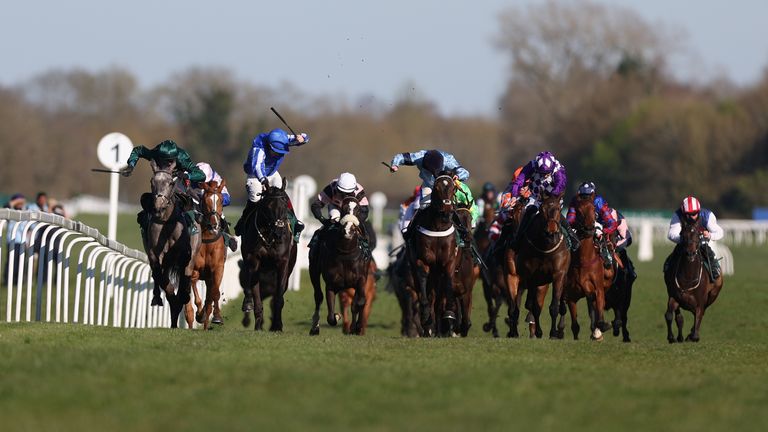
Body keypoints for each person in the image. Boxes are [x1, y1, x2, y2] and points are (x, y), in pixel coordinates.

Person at [236, 128, 309, 243]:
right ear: (269, 146)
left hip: (272, 173)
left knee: (281, 195)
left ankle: (295, 222)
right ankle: (244, 221)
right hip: (255, 175)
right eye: (277, 152)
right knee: (255, 198)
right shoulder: (258, 148)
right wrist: (263, 180)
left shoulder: (282, 139)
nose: (279, 155)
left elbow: (303, 137)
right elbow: (257, 167)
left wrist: (302, 138)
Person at [121, 139, 206, 236]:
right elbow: (138, 150)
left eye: (172, 160)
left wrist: (187, 176)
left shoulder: (182, 156)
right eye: (166, 160)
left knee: (186, 201)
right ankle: (146, 224)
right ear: (160, 157)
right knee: (147, 199)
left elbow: (201, 175)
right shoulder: (155, 153)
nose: (169, 163)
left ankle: (191, 226)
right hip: (160, 182)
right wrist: (131, 166)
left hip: (177, 181)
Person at [388, 149, 473, 241]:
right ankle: (410, 231)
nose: (432, 173)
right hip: (429, 185)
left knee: (450, 206)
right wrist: (395, 164)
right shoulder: (419, 157)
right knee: (423, 206)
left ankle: (463, 233)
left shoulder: (448, 160)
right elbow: (400, 157)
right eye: (429, 170)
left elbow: (465, 172)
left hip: (444, 188)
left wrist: (458, 176)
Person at [498, 151, 575, 250]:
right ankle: (518, 239)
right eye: (542, 173)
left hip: (552, 197)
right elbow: (519, 181)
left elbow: (560, 185)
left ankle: (572, 236)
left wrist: (550, 198)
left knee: (554, 213)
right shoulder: (532, 165)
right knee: (529, 212)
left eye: (547, 173)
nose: (544, 176)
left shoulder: (558, 169)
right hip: (535, 197)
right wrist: (514, 195)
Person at [308, 172, 372, 258]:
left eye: (348, 193)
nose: (344, 196)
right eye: (341, 192)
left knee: (364, 233)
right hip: (336, 208)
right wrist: (323, 219)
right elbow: (316, 205)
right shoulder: (331, 188)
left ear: (353, 189)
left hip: (352, 213)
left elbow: (364, 211)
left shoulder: (359, 192)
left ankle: (366, 252)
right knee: (323, 230)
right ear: (337, 187)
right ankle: (315, 252)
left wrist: (356, 221)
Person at [666, 196, 723, 281]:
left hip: (702, 244)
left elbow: (720, 232)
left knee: (710, 257)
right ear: (684, 213)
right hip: (684, 243)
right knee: (669, 262)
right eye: (690, 214)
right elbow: (671, 234)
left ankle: (715, 276)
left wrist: (710, 235)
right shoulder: (678, 215)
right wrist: (684, 239)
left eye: (695, 213)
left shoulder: (707, 215)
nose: (693, 216)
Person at [566, 182, 618, 268]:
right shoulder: (575, 201)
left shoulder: (599, 202)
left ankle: (607, 260)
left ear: (593, 194)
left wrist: (604, 231)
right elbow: (570, 219)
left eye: (588, 195)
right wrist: (575, 225)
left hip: (597, 228)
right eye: (583, 195)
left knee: (602, 240)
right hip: (580, 228)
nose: (585, 198)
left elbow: (611, 223)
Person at [191, 162, 237, 252]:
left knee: (216, 212)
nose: (203, 184)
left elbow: (227, 199)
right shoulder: (189, 176)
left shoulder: (216, 179)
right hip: (193, 203)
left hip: (210, 207)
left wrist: (215, 199)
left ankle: (228, 235)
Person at [3, 194, 28, 284]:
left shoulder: (25, 211)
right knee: (11, 262)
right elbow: (6, 206)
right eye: (19, 201)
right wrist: (17, 201)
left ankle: (19, 280)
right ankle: (8, 280)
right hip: (12, 240)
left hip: (22, 241)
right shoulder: (11, 211)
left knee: (21, 262)